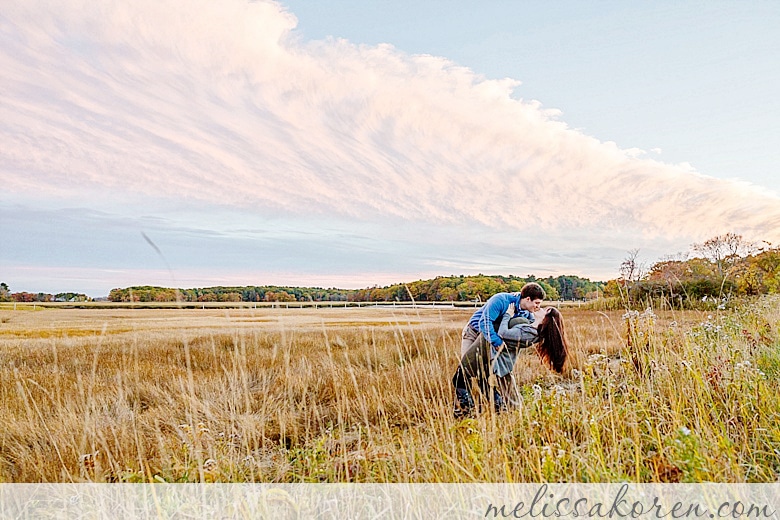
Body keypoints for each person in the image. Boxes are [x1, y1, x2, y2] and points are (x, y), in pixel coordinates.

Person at [453, 306, 569, 417]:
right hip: (490, 346)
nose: (541, 308)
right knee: (481, 380)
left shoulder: (529, 333)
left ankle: (467, 410)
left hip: (485, 344)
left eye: (545, 310)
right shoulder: (530, 326)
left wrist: (508, 314)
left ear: (547, 319)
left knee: (460, 377)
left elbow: (503, 332)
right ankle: (495, 406)